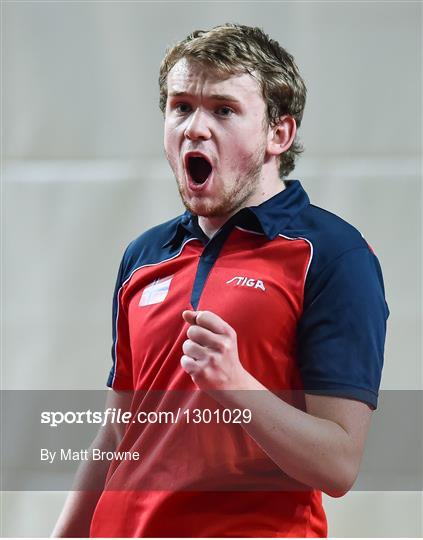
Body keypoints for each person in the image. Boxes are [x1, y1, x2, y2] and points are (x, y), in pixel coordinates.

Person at [53, 23, 389, 537]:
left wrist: (236, 385)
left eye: (223, 110)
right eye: (181, 106)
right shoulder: (144, 255)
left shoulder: (333, 255)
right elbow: (119, 430)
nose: (194, 127)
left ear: (279, 133)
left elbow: (338, 465)